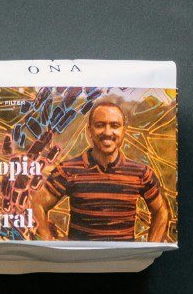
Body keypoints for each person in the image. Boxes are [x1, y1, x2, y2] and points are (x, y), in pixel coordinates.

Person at [31, 101, 170, 242]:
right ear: (89, 130)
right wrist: (48, 241)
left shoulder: (141, 173)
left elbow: (161, 210)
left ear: (123, 130)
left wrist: (150, 247)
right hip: (80, 260)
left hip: (123, 261)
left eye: (114, 126)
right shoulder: (67, 170)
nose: (107, 132)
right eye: (100, 125)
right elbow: (37, 204)